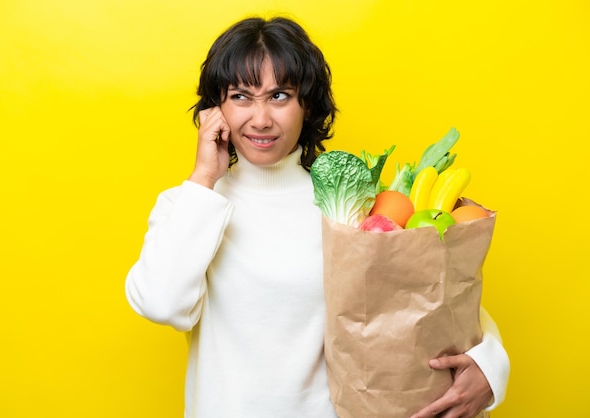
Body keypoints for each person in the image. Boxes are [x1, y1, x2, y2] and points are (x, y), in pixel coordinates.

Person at [125, 16, 509, 418]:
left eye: (279, 96)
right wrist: (205, 176)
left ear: (307, 105)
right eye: (240, 96)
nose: (260, 119)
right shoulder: (190, 204)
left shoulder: (351, 207)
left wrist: (490, 365)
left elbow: (434, 296)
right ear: (215, 110)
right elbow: (161, 303)